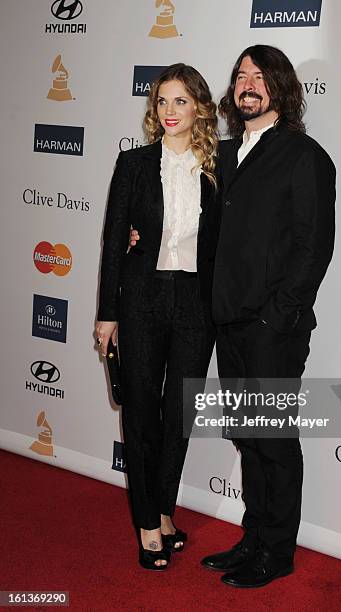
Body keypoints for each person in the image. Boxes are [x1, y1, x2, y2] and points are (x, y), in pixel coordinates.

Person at [129, 44, 336, 587]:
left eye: (260, 75)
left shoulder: (303, 155)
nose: (248, 83)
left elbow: (313, 249)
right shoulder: (220, 155)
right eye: (241, 74)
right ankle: (254, 538)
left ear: (281, 88)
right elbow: (174, 205)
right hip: (226, 323)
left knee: (273, 440)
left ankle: (278, 550)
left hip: (273, 329)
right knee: (248, 437)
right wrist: (139, 235)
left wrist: (277, 316)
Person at [95, 63, 219, 571]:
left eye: (181, 101)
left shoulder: (219, 167)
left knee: (179, 417)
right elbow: (113, 239)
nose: (170, 111)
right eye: (163, 102)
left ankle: (165, 508)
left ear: (200, 109)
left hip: (196, 305)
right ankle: (147, 522)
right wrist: (108, 314)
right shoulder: (134, 164)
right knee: (142, 413)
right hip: (142, 300)